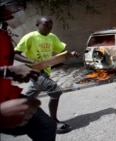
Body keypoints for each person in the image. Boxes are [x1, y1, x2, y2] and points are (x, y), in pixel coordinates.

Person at [0, 0, 57, 140]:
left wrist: (10, 72)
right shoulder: (29, 37)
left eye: (21, 7)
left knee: (46, 125)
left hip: (6, 93)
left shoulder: (4, 32)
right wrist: (8, 71)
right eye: (14, 6)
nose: (19, 11)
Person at [14, 16, 79, 134]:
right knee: (55, 91)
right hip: (35, 71)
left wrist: (72, 54)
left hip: (45, 71)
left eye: (50, 25)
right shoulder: (30, 37)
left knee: (29, 97)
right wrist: (31, 62)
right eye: (45, 25)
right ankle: (53, 121)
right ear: (37, 25)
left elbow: (61, 51)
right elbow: (16, 54)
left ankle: (16, 117)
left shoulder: (52, 37)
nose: (48, 27)